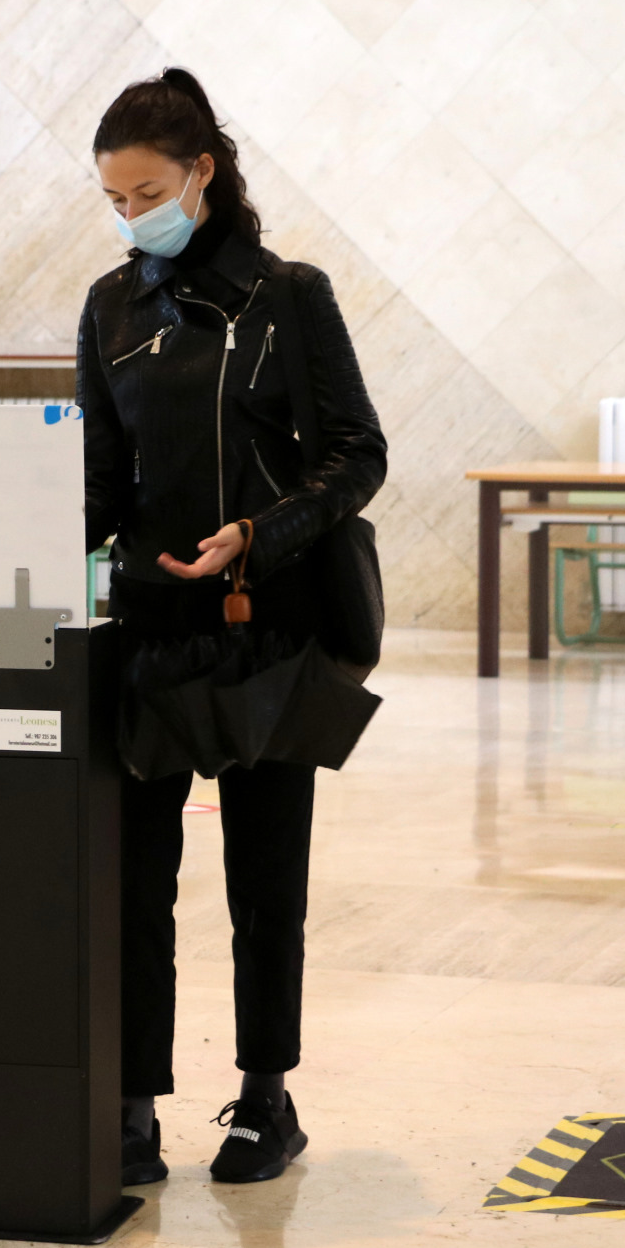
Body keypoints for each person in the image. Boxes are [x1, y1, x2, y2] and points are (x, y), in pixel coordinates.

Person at [77, 70, 388, 1185]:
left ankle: (266, 1098)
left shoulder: (289, 295)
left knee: (265, 882)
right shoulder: (108, 308)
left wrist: (258, 532)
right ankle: (129, 1105)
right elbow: (101, 482)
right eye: (112, 200)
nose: (130, 216)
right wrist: (23, 533)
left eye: (146, 192)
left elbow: (358, 454)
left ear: (201, 173)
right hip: (152, 628)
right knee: (134, 881)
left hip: (270, 624)